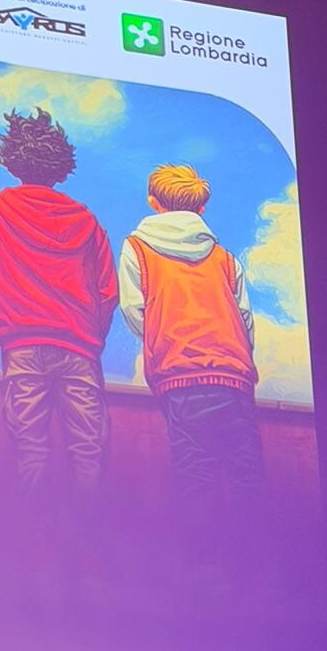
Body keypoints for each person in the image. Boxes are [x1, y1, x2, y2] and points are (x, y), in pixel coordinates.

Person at [0, 108, 117, 494]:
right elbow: (107, 292)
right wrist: (91, 335)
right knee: (89, 448)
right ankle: (89, 521)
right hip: (80, 346)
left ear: (11, 159)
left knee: (30, 448)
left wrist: (10, 314)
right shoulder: (87, 220)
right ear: (62, 165)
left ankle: (33, 523)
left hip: (23, 344)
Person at [118, 163, 262, 511]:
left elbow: (134, 310)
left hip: (177, 374)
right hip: (233, 375)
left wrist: (161, 341)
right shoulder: (225, 259)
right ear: (202, 208)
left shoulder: (136, 249)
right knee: (246, 471)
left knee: (195, 470)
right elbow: (245, 318)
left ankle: (204, 544)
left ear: (153, 202)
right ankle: (254, 541)